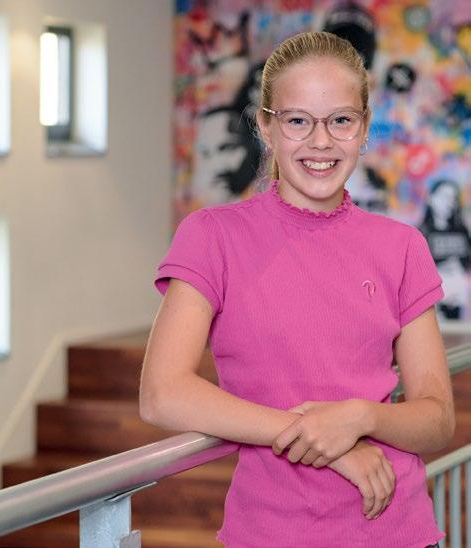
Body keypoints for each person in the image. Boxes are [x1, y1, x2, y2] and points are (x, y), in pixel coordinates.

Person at [140, 31, 454, 548]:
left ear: (364, 127)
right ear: (266, 126)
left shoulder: (402, 247)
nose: (321, 142)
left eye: (341, 120)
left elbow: (437, 419)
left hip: (399, 530)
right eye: (298, 121)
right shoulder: (212, 236)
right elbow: (162, 394)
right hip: (271, 532)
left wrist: (360, 417)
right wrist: (332, 443)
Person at [419, 178, 471, 320]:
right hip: (432, 300)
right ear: (430, 198)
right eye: (444, 197)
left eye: (453, 199)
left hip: (460, 299)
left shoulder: (462, 232)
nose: (449, 203)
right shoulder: (421, 233)